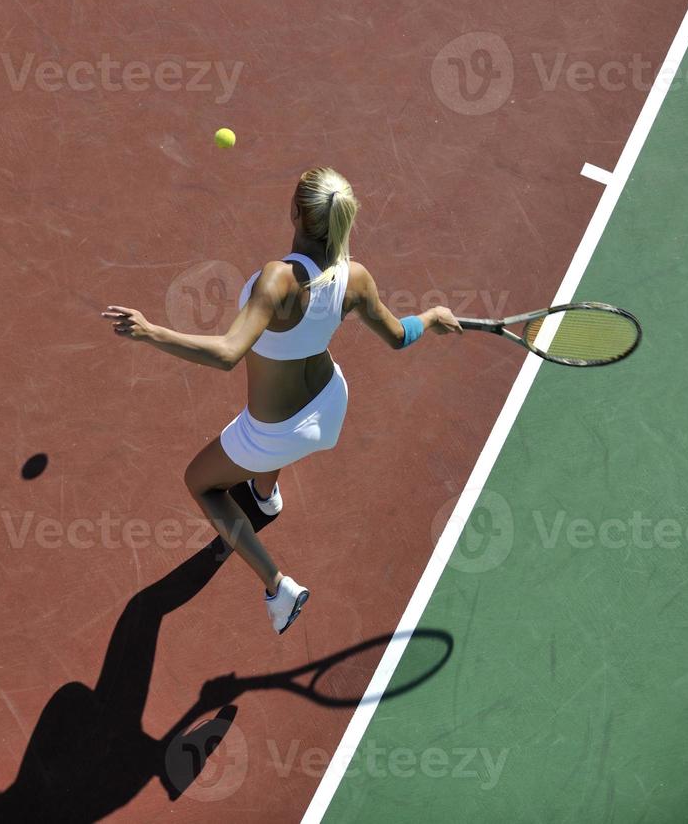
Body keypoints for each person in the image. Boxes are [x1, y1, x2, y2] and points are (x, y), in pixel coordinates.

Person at [102, 166, 460, 634]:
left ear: (294, 211)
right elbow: (397, 337)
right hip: (330, 406)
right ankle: (264, 496)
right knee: (265, 445)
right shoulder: (356, 278)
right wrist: (431, 316)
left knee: (202, 482)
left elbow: (230, 352)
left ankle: (277, 587)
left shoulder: (278, 281)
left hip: (274, 433)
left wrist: (152, 332)